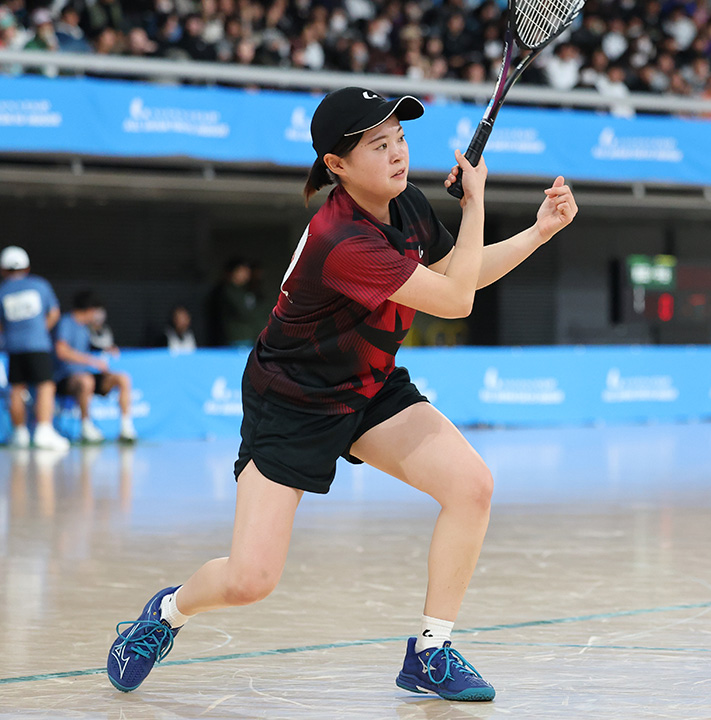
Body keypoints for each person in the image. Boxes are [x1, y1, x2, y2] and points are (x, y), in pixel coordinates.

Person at [105, 87, 578, 701]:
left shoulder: (408, 206)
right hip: (293, 400)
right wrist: (477, 202)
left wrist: (539, 232)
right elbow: (457, 300)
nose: (398, 153)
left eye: (400, 138)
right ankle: (166, 614)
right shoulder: (341, 239)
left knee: (471, 487)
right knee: (250, 580)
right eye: (378, 145)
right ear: (337, 164)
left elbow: (455, 275)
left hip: (369, 384)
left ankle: (431, 652)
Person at [0, 246, 69, 450]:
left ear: (3, 270)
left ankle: (19, 434)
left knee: (17, 388)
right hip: (38, 345)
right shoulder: (39, 284)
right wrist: (39, 330)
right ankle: (44, 431)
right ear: (27, 267)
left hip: (14, 347)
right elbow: (54, 313)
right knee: (45, 385)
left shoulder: (2, 291)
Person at [53, 291, 138, 443]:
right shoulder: (66, 323)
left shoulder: (85, 328)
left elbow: (85, 348)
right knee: (86, 381)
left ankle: (126, 428)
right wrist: (91, 361)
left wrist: (106, 350)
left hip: (86, 374)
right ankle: (86, 427)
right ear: (90, 309)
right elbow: (62, 350)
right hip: (66, 378)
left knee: (122, 378)